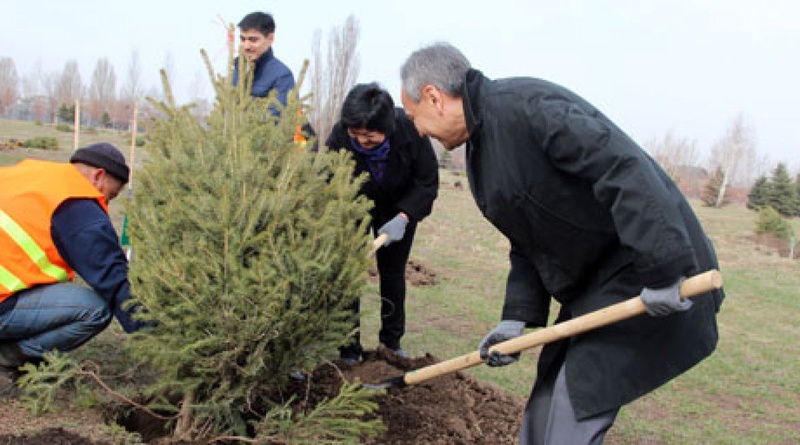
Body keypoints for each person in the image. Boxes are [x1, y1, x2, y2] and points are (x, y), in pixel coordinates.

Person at [399, 42, 724, 444]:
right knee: (544, 408)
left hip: (642, 274)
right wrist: (517, 317)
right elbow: (528, 237)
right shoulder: (483, 150)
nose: (417, 130)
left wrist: (663, 269)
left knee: (577, 404)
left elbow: (621, 168)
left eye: (415, 117)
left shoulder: (527, 107)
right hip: (595, 287)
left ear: (433, 96)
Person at [0, 143, 149, 383]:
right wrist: (150, 332)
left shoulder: (30, 172)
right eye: (109, 196)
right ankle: (10, 355)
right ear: (98, 176)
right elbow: (112, 275)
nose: (104, 206)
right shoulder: (76, 202)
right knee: (95, 309)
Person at [326, 83, 439, 363]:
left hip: (398, 209)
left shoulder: (410, 131)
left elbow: (427, 181)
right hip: (354, 207)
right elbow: (327, 176)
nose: (362, 141)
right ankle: (348, 347)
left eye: (370, 136)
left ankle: (391, 342)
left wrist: (404, 216)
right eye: (357, 134)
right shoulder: (341, 134)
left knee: (392, 273)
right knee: (348, 275)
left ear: (386, 128)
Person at [233, 11, 294, 107]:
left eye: (253, 40)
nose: (246, 46)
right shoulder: (237, 71)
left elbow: (277, 118)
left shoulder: (282, 76)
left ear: (270, 38)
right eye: (243, 39)